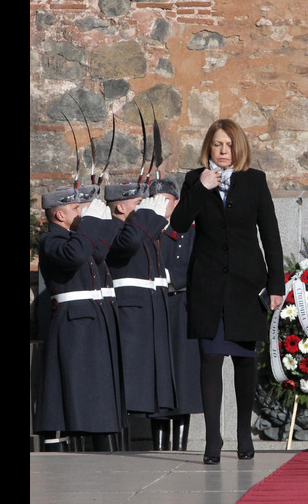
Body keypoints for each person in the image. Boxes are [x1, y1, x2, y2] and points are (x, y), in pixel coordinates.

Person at [170, 119, 285, 465]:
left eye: (229, 145)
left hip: (246, 285)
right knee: (210, 359)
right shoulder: (194, 179)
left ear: (239, 148)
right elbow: (177, 225)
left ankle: (243, 434)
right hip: (207, 286)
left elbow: (271, 233)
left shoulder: (254, 180)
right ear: (209, 147)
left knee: (244, 361)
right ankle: (212, 440)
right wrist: (202, 188)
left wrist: (276, 285)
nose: (224, 151)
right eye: (218, 145)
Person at [34, 187, 126, 452]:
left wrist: (104, 223)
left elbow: (96, 251)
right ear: (60, 215)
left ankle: (102, 442)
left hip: (92, 321)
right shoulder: (52, 240)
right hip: (73, 324)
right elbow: (73, 255)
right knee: (75, 391)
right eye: (75, 209)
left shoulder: (78, 237)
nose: (81, 212)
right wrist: (92, 224)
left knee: (97, 392)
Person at [105, 182, 179, 446]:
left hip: (150, 311)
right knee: (128, 383)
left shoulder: (136, 228)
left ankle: (143, 441)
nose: (144, 208)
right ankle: (120, 443)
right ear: (121, 206)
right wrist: (153, 215)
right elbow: (130, 243)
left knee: (147, 384)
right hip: (130, 314)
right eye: (138, 204)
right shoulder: (113, 229)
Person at [149, 178, 204, 451]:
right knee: (158, 378)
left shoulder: (191, 232)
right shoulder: (146, 231)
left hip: (181, 310)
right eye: (155, 199)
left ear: (177, 203)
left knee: (183, 377)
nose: (161, 204)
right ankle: (158, 445)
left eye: (166, 199)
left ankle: (179, 445)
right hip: (156, 311)